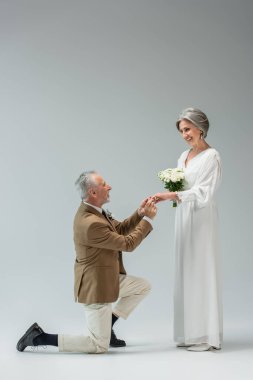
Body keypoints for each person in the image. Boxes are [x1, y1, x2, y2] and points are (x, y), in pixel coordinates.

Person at [17, 171, 157, 354]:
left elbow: (120, 229)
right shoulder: (90, 223)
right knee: (98, 346)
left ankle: (108, 326)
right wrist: (148, 220)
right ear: (92, 192)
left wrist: (139, 214)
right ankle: (38, 337)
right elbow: (127, 244)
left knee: (142, 286)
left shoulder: (95, 211)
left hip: (107, 278)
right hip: (96, 287)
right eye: (104, 184)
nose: (109, 187)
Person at [153, 107, 222, 351]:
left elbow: (205, 192)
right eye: (181, 131)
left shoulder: (212, 157)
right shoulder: (183, 156)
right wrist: (173, 194)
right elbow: (183, 184)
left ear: (200, 128)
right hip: (183, 216)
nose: (184, 135)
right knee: (185, 269)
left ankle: (204, 335)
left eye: (187, 129)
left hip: (201, 218)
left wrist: (173, 194)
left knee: (200, 269)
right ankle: (188, 333)